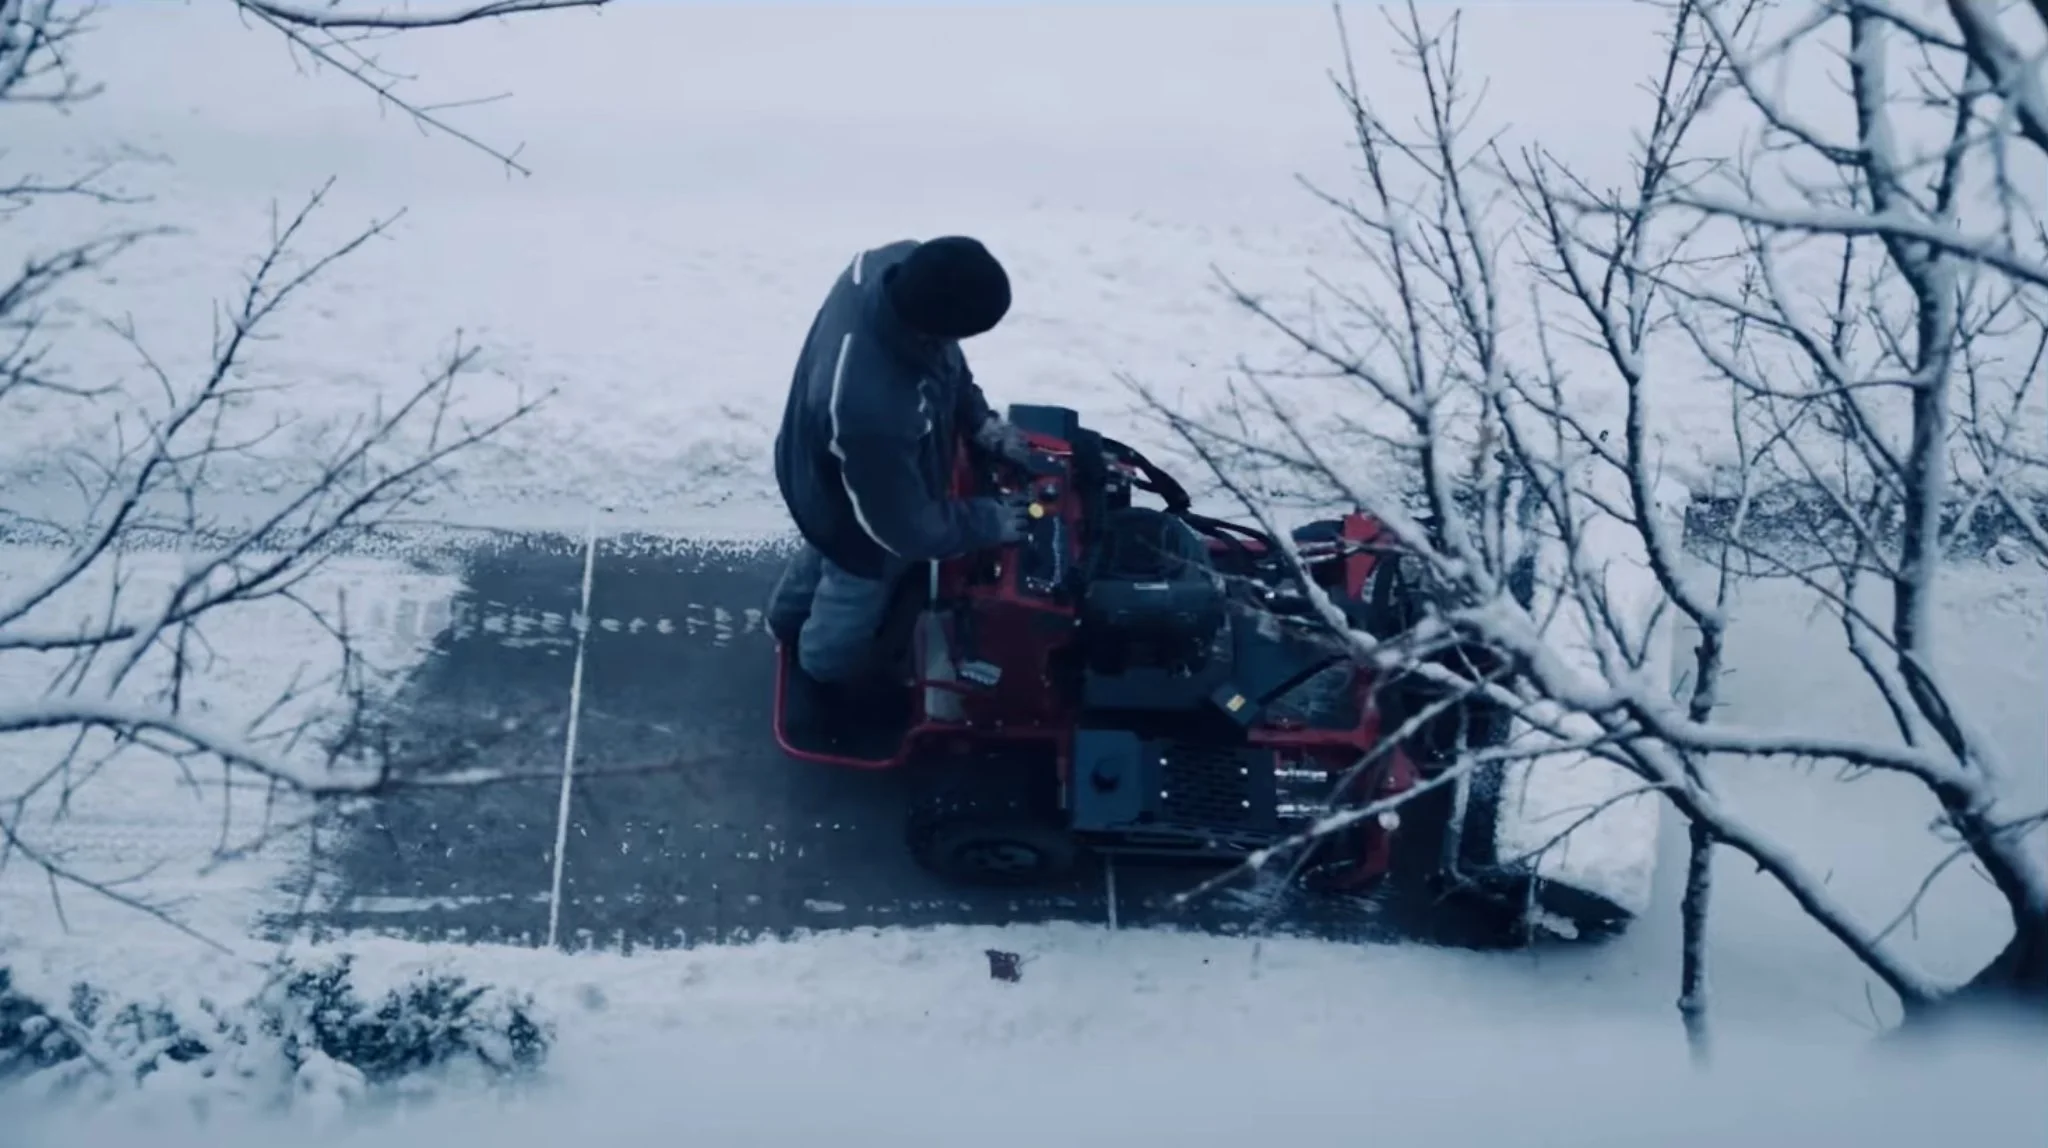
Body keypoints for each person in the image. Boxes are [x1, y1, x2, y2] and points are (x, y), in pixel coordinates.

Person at [767, 236, 1036, 691]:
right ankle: (823, 670)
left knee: (822, 547)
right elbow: (903, 532)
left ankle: (783, 620)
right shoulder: (871, 407)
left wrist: (979, 421)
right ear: (930, 331)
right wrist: (990, 521)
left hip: (823, 469)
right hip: (857, 510)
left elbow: (945, 363)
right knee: (854, 578)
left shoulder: (891, 266)